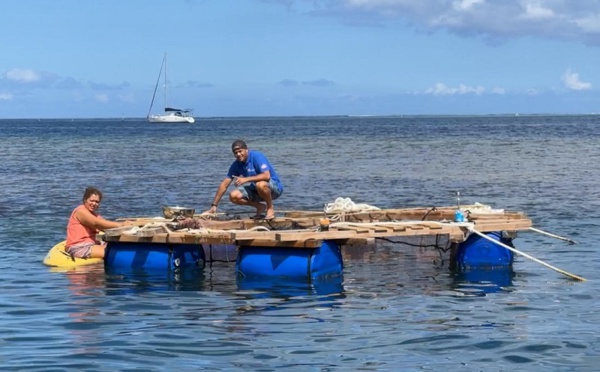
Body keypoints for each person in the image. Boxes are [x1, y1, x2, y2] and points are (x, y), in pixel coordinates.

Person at [204, 140, 283, 220]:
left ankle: (270, 208)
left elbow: (266, 176)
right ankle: (260, 206)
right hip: (256, 189)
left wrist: (246, 179)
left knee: (260, 184)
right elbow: (224, 184)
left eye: (240, 151)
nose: (238, 154)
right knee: (233, 195)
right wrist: (214, 205)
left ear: (246, 149)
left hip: (274, 188)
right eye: (235, 153)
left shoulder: (256, 156)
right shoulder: (236, 165)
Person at [65, 186, 131, 259]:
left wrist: (128, 227)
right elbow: (96, 223)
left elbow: (105, 226)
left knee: (118, 245)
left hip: (92, 244)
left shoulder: (94, 215)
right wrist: (120, 225)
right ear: (85, 200)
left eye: (97, 202)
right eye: (91, 201)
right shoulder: (80, 211)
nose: (94, 204)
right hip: (79, 247)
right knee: (113, 252)